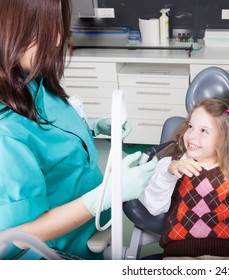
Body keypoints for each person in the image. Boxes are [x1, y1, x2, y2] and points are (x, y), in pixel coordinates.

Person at [0, 0, 157, 260]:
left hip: (89, 227)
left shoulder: (31, 80)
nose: (59, 38)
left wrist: (92, 126)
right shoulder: (6, 135)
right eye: (46, 28)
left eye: (58, 26)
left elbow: (49, 130)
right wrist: (103, 197)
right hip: (58, 251)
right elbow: (16, 238)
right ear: (8, 28)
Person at [138, 98, 229, 260]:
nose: (191, 135)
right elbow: (153, 207)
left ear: (227, 138)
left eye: (204, 130)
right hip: (178, 257)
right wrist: (168, 173)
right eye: (190, 126)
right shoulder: (170, 166)